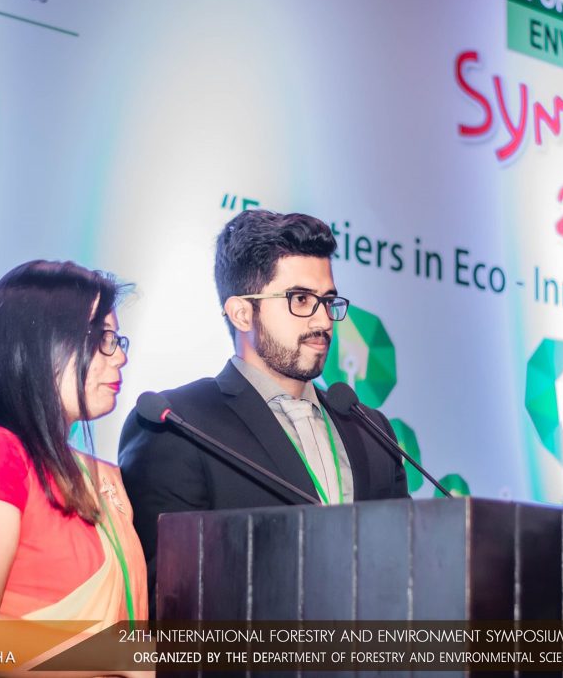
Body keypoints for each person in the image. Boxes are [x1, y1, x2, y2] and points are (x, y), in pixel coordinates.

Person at [119, 210, 408, 611]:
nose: (324, 321)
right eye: (301, 300)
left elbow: (407, 569)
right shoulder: (177, 426)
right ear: (241, 312)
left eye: (328, 301)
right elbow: (171, 599)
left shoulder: (370, 428)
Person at [0, 260, 148, 677]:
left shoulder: (105, 478)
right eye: (102, 339)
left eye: (117, 340)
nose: (119, 357)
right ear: (40, 345)